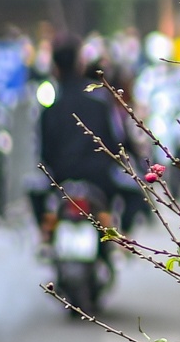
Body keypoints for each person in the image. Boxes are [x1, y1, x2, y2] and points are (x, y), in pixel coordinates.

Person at [36, 35, 127, 229]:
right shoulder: (100, 103)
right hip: (99, 177)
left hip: (60, 177)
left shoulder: (49, 109)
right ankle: (119, 237)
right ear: (80, 64)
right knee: (134, 191)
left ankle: (46, 233)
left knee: (34, 191)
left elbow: (44, 152)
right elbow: (113, 143)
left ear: (55, 67)